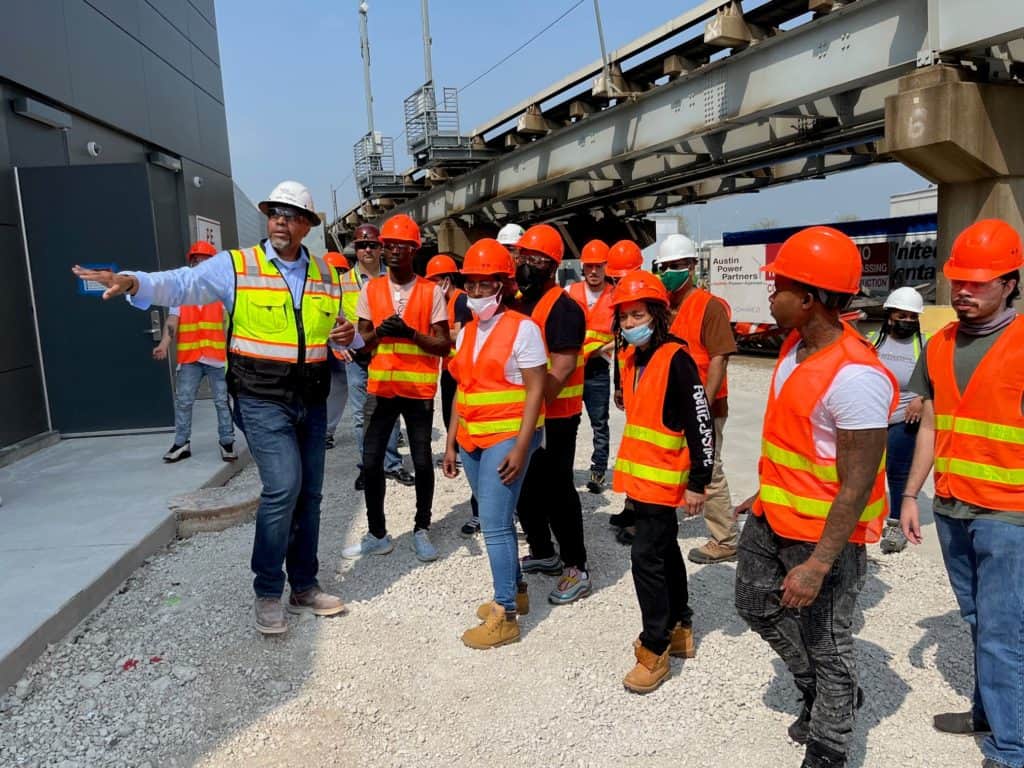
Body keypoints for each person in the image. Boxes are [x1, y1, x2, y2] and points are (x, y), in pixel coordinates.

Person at [73, 180, 357, 635]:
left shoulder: (325, 274)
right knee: (283, 487)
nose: (280, 221)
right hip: (262, 399)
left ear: (307, 224)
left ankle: (304, 586)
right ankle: (268, 592)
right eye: (274, 213)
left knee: (310, 495)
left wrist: (349, 336)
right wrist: (133, 281)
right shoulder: (237, 266)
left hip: (311, 399)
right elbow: (183, 285)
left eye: (290, 214)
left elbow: (341, 329)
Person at [733, 226, 896, 768]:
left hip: (823, 536)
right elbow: (797, 439)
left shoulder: (856, 377)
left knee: (829, 644)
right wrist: (764, 488)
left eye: (778, 286)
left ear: (808, 299)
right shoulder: (792, 346)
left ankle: (830, 744)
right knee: (754, 606)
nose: (770, 295)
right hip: (771, 515)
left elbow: (856, 481)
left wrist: (820, 563)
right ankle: (827, 691)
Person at [899, 219, 1024, 768]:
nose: (964, 291)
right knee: (977, 620)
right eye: (959, 280)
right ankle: (989, 713)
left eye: (979, 281)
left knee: (1003, 631)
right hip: (951, 507)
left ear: (1010, 283)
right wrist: (909, 496)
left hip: (1009, 514)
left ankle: (1010, 748)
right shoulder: (941, 343)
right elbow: (928, 425)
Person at [610, 270, 714, 693]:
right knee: (666, 551)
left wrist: (699, 481)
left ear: (656, 314)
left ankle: (655, 649)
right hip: (643, 479)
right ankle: (680, 626)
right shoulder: (632, 358)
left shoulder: (676, 358)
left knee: (645, 560)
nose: (631, 324)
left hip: (665, 479)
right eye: (625, 318)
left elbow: (700, 422)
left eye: (637, 315)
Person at [442, 239, 547, 649]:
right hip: (471, 438)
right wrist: (450, 442)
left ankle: (504, 614)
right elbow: (460, 390)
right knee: (496, 519)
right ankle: (516, 592)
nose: (477, 292)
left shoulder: (523, 328)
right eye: (472, 284)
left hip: (506, 439)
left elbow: (537, 390)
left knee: (497, 526)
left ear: (503, 286)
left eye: (487, 284)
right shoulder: (467, 332)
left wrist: (522, 447)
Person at [343, 214, 451, 563]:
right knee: (371, 461)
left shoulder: (431, 291)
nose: (391, 251)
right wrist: (381, 333)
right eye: (387, 245)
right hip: (381, 387)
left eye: (400, 246)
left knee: (421, 461)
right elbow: (362, 345)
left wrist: (411, 334)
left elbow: (443, 344)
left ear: (414, 250)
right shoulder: (370, 290)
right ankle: (377, 533)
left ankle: (422, 528)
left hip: (418, 392)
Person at [512, 223, 591, 604]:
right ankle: (543, 551)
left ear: (553, 264)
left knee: (558, 489)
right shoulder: (517, 301)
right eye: (523, 256)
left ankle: (576, 566)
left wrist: (528, 399)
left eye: (536, 258)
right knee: (526, 486)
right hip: (524, 414)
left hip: (557, 416)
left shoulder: (563, 309)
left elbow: (559, 371)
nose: (527, 264)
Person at [654, 233, 740, 565]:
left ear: (692, 266)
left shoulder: (709, 307)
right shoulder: (664, 305)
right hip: (673, 403)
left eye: (677, 266)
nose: (670, 273)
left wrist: (701, 405)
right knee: (675, 461)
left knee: (709, 467)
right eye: (665, 267)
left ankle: (725, 538)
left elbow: (719, 357)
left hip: (706, 404)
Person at [152, 240, 236, 463]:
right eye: (196, 260)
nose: (199, 263)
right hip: (190, 358)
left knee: (221, 401)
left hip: (217, 358)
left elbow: (233, 322)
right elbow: (173, 320)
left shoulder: (222, 290)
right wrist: (164, 343)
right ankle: (181, 444)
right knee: (184, 401)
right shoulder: (182, 292)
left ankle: (227, 442)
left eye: (204, 260)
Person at [338, 224, 409, 487]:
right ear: (355, 250)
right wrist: (338, 345)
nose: (366, 249)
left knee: (389, 411)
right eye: (360, 246)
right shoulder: (343, 282)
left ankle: (391, 464)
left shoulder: (396, 278)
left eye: (371, 245)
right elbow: (333, 317)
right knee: (360, 415)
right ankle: (369, 466)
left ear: (381, 248)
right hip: (356, 355)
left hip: (387, 352)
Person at [865, 286, 927, 554]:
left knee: (898, 470)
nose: (908, 322)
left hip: (905, 419)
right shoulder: (872, 341)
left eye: (913, 317)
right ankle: (861, 515)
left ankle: (895, 523)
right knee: (863, 467)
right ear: (890, 316)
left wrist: (922, 398)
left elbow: (937, 378)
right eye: (903, 315)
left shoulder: (924, 343)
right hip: (871, 418)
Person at [426, 253, 482, 535]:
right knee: (454, 417)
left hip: (462, 369)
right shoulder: (447, 301)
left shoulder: (460, 299)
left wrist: (431, 334)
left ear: (445, 281)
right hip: (452, 367)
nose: (431, 287)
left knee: (463, 421)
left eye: (434, 281)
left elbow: (459, 333)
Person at [604, 239, 651, 545]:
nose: (619, 283)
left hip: (649, 384)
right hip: (630, 382)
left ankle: (645, 516)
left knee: (648, 451)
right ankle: (632, 505)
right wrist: (619, 386)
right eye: (615, 279)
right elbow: (622, 347)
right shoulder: (621, 302)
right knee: (633, 449)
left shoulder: (646, 299)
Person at [567, 239, 615, 494]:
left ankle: (598, 471)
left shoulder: (615, 296)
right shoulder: (570, 292)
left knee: (599, 422)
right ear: (583, 267)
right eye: (589, 267)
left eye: (598, 266)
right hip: (572, 369)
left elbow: (622, 334)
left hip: (597, 368)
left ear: (606, 267)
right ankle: (566, 469)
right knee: (569, 421)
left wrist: (600, 350)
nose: (593, 272)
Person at [324, 251, 351, 450]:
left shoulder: (349, 292)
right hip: (326, 352)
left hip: (348, 348)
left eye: (340, 272)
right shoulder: (317, 293)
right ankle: (324, 432)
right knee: (332, 391)